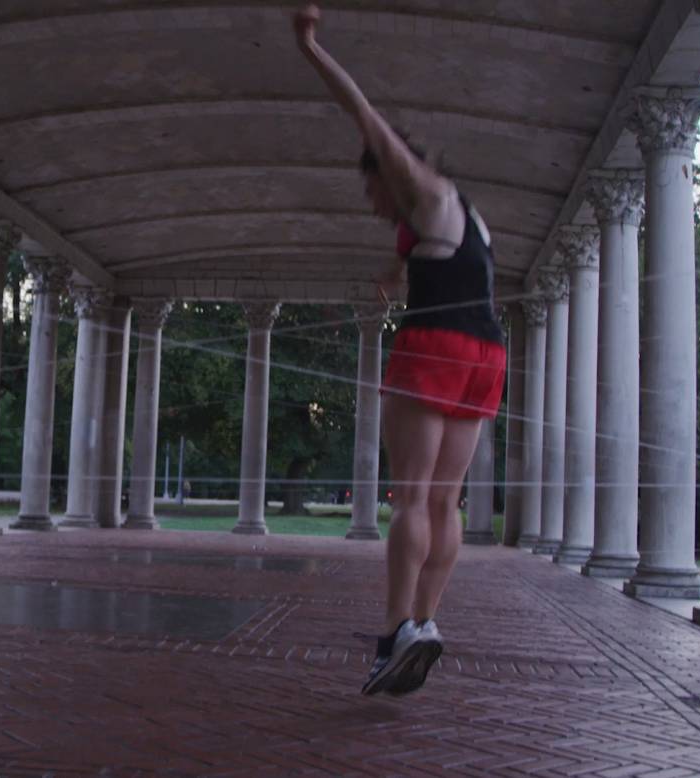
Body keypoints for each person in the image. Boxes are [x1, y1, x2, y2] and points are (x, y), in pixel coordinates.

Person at [293, 4, 507, 696]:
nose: (372, 202)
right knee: (446, 502)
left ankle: (390, 637)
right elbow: (444, 260)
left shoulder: (415, 182)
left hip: (437, 348)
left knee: (410, 496)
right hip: (486, 355)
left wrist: (311, 49)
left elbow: (363, 116)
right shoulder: (463, 214)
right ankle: (424, 623)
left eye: (371, 188)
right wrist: (393, 274)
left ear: (392, 172)